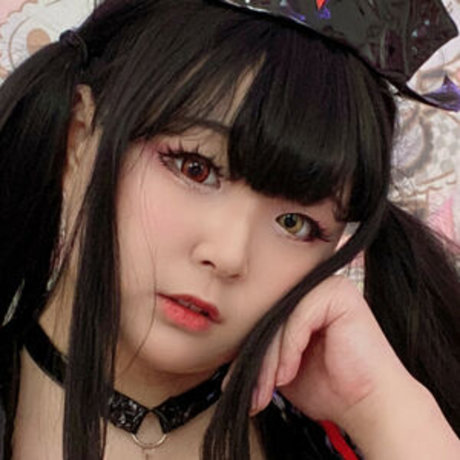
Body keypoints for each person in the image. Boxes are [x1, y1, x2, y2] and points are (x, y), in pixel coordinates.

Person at [0, 0, 459, 459]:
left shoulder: (343, 437)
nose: (229, 255)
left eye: (294, 223)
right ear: (77, 139)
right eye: (195, 169)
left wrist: (383, 412)